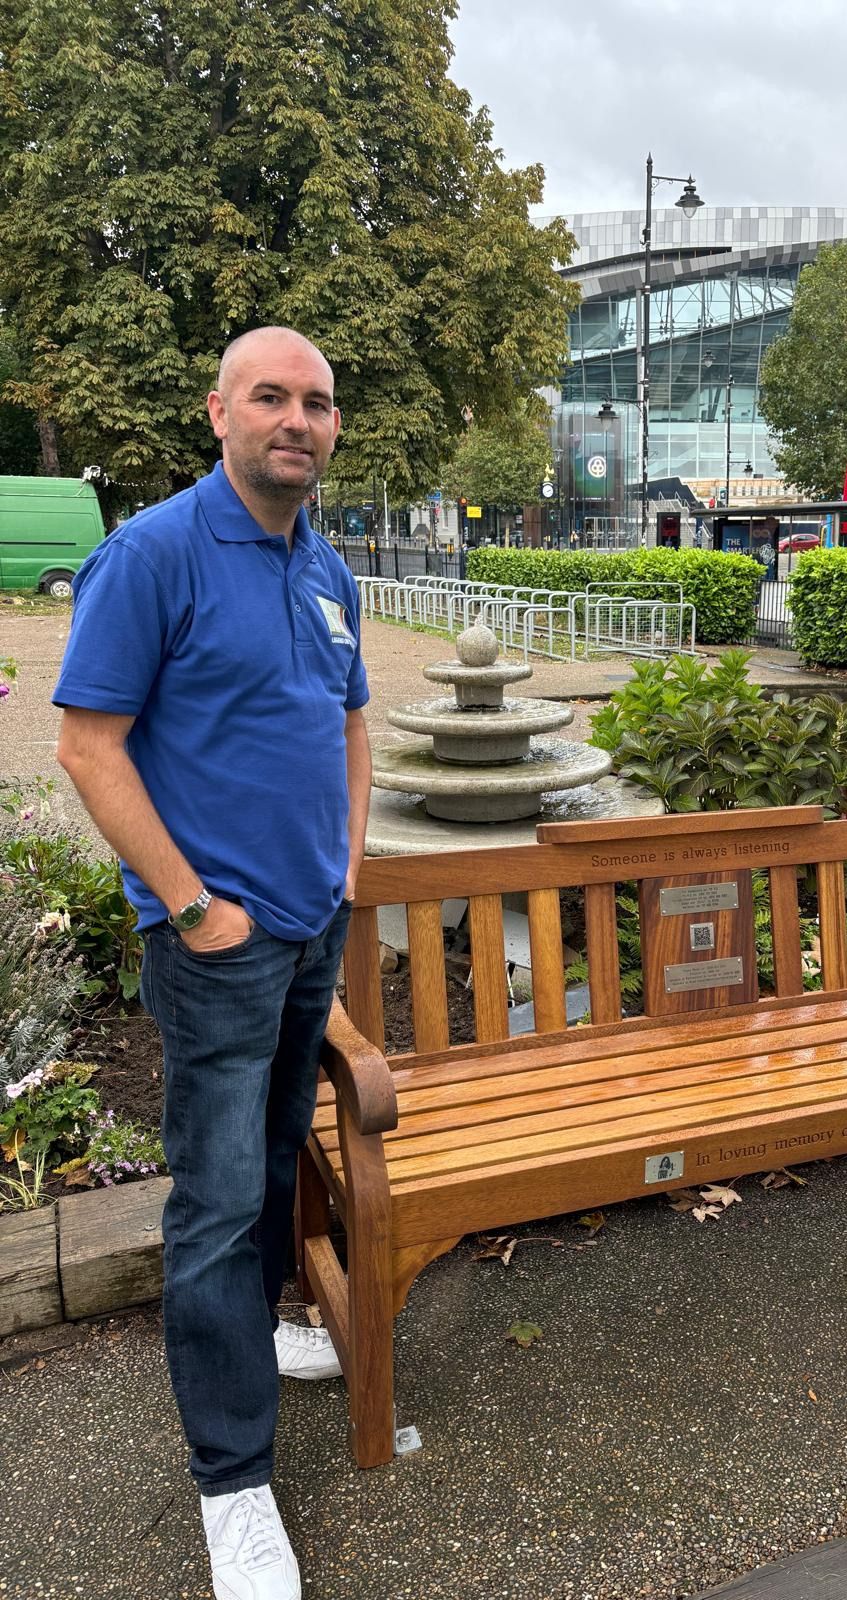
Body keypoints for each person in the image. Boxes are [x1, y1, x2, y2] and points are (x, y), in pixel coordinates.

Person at [53, 326, 371, 1600]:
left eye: (319, 402)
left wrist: (344, 870)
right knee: (213, 1199)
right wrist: (192, 909)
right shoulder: (155, 554)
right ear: (220, 412)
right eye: (272, 397)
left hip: (308, 932)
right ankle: (232, 1481)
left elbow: (350, 722)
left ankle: (249, 1340)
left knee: (274, 1159)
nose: (299, 419)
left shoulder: (327, 565)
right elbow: (87, 744)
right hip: (220, 948)